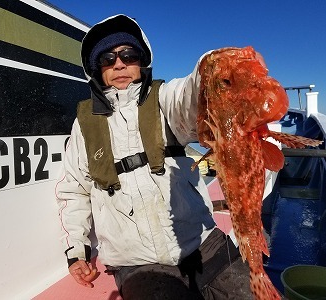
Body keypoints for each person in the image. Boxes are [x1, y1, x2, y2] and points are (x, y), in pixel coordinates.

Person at [56, 14, 253, 299]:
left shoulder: (163, 99)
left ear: (141, 60)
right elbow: (74, 190)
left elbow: (191, 96)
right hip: (136, 263)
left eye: (128, 54)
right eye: (107, 59)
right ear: (95, 69)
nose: (119, 64)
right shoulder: (84, 123)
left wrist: (213, 66)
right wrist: (77, 250)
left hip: (202, 243)